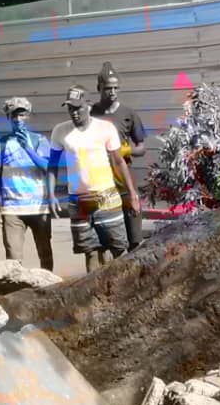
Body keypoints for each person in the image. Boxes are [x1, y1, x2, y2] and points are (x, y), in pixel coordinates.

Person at [48, 86, 140, 274]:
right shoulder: (60, 131)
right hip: (78, 200)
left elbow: (118, 161)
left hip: (106, 196)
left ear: (88, 106)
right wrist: (51, 194)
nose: (74, 112)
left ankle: (118, 290)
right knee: (90, 251)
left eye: (78, 108)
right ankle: (93, 295)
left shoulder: (105, 128)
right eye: (70, 108)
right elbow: (52, 165)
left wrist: (132, 194)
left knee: (117, 249)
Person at [0, 97, 54, 271]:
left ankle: (50, 289)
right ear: (9, 118)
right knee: (13, 259)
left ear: (29, 116)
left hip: (39, 207)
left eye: (23, 115)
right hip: (12, 209)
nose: (19, 120)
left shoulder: (40, 141)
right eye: (14, 116)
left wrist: (28, 148)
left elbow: (48, 168)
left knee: (45, 253)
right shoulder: (1, 145)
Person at [91, 63, 148, 250]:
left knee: (134, 232)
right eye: (108, 88)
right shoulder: (90, 114)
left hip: (124, 178)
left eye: (116, 88)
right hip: (98, 179)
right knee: (105, 239)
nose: (112, 92)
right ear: (99, 88)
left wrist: (126, 150)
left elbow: (142, 148)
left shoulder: (129, 114)